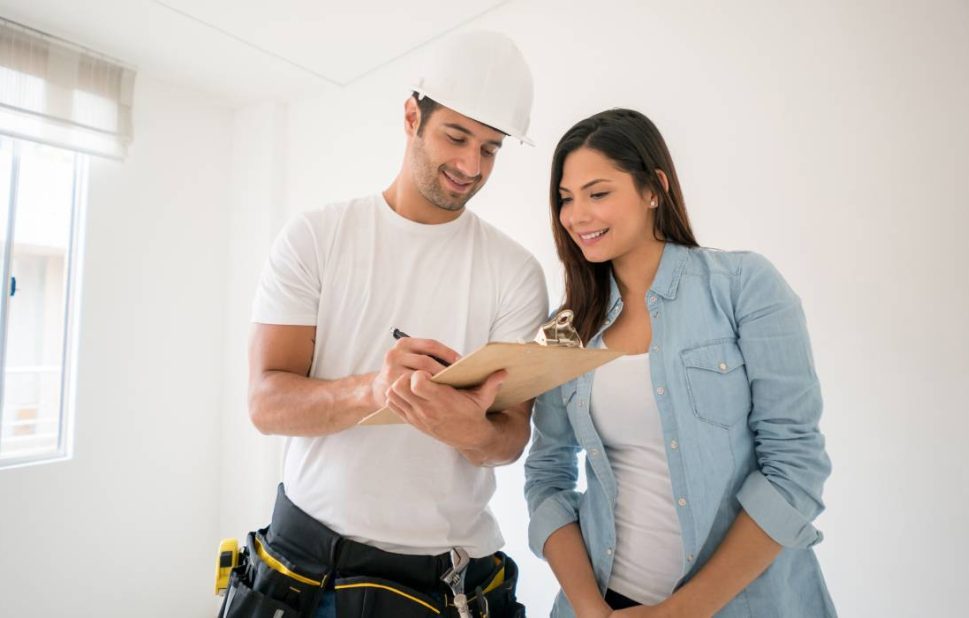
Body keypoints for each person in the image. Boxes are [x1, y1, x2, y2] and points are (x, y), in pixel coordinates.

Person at [223, 31, 548, 618]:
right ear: (411, 116)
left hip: (446, 586)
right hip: (308, 575)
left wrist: (468, 430)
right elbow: (266, 403)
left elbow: (511, 437)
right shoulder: (316, 239)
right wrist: (376, 392)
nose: (470, 166)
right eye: (456, 136)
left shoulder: (515, 273)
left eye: (491, 148)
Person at [524, 109, 835, 617]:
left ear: (654, 188)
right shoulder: (564, 331)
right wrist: (588, 608)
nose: (576, 215)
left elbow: (794, 469)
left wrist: (682, 611)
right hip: (602, 601)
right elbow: (547, 476)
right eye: (565, 198)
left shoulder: (744, 286)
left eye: (598, 193)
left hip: (740, 605)